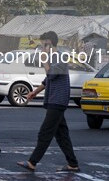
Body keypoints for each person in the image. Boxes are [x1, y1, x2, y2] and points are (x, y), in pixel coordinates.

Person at [17, 31, 79, 173]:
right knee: (61, 135)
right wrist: (35, 92)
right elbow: (47, 80)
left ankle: (32, 162)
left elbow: (51, 74)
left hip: (58, 100)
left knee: (45, 132)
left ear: (49, 43)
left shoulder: (60, 57)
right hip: (55, 100)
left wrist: (44, 61)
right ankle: (73, 164)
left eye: (43, 44)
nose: (41, 48)